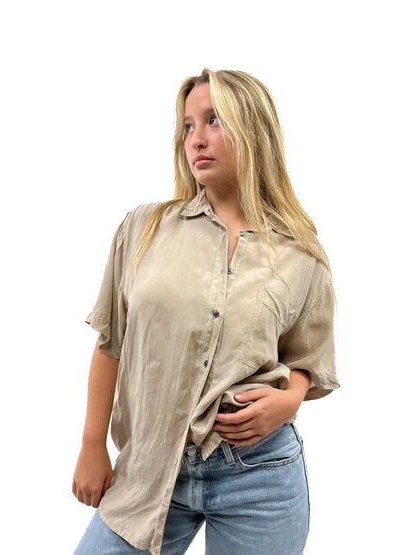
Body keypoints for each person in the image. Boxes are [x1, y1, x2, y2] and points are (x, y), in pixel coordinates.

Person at [72, 68, 340, 555]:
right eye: (188, 126)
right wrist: (92, 446)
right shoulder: (144, 229)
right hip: (151, 467)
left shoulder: (301, 252)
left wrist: (290, 400)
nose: (196, 138)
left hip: (260, 474)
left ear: (253, 128)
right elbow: (111, 344)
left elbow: (307, 357)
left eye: (214, 120)